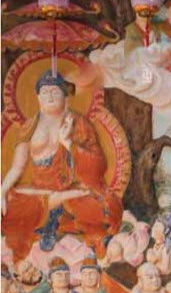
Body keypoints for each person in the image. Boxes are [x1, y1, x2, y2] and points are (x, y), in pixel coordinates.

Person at [0, 71, 123, 259]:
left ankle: (56, 212)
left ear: (66, 97)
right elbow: (17, 167)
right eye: (45, 91)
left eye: (55, 91)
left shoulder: (79, 123)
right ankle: (55, 207)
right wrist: (2, 191)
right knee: (9, 201)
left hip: (75, 189)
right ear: (38, 97)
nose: (49, 95)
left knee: (104, 205)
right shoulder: (29, 127)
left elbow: (99, 164)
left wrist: (69, 144)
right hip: (40, 191)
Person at [146, 216, 171, 281]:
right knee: (150, 251)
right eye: (154, 226)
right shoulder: (157, 244)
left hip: (162, 273)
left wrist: (154, 259)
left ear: (165, 231)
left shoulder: (167, 246)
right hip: (155, 270)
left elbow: (165, 269)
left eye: (157, 226)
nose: (153, 228)